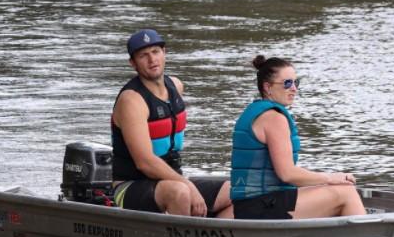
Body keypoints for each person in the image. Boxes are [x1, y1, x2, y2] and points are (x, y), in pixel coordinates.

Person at [110, 29, 231, 217]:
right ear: (133, 63)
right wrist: (187, 184)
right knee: (180, 192)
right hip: (130, 186)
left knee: (239, 189)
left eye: (156, 52)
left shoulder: (176, 85)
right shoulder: (131, 101)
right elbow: (145, 163)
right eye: (144, 55)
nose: (152, 60)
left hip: (172, 179)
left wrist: (184, 182)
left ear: (164, 53)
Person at [229, 55, 365, 219]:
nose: (294, 88)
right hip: (261, 206)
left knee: (334, 188)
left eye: (296, 82)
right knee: (347, 193)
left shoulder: (255, 110)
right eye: (287, 83)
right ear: (267, 87)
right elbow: (287, 174)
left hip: (253, 204)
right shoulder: (274, 118)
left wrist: (326, 181)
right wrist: (330, 178)